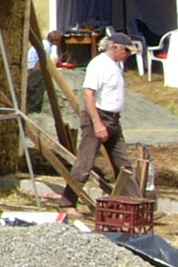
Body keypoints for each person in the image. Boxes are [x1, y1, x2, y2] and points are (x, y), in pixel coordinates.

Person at [59, 32, 142, 210]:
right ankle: (67, 203)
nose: (128, 55)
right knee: (85, 164)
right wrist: (98, 124)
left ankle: (137, 205)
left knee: (124, 165)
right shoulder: (99, 64)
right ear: (115, 48)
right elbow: (88, 94)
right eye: (126, 51)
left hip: (113, 119)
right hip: (98, 117)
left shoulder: (115, 65)